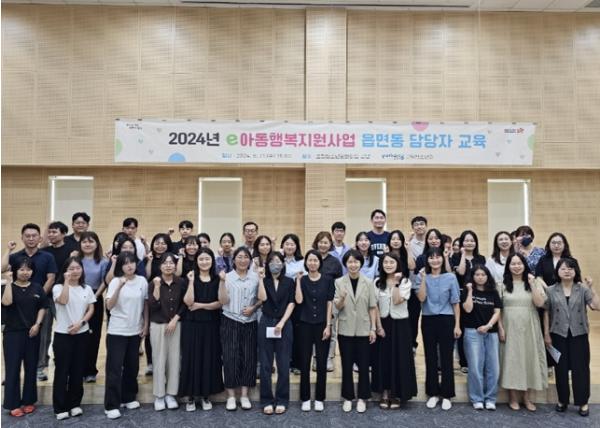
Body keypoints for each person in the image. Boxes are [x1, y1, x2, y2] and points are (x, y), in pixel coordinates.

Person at [543, 258, 599, 417]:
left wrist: (592, 287)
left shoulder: (582, 289)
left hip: (579, 333)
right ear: (557, 271)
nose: (567, 271)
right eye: (563, 268)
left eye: (570, 268)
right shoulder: (551, 290)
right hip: (558, 333)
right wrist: (546, 334)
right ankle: (562, 400)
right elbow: (546, 312)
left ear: (575, 271)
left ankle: (583, 401)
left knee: (580, 369)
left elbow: (596, 306)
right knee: (560, 369)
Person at [2, 224, 57, 382]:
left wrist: (38, 297)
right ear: (22, 238)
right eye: (27, 236)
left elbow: (51, 278)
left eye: (34, 236)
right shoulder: (15, 256)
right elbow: (2, 269)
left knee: (42, 335)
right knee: (16, 339)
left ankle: (39, 368)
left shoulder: (47, 256)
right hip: (17, 304)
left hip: (41, 302)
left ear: (40, 238)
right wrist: (8, 250)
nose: (31, 238)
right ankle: (12, 373)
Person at [497, 252, 548, 412]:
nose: (517, 266)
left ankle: (526, 398)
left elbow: (540, 303)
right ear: (508, 266)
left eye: (519, 263)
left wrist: (532, 284)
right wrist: (500, 328)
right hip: (509, 326)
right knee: (511, 360)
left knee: (528, 359)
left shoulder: (533, 282)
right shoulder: (501, 284)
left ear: (525, 265)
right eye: (513, 264)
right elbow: (497, 309)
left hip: (529, 326)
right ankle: (512, 397)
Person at [104, 252, 149, 420]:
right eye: (125, 263)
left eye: (132, 262)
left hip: (135, 330)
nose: (129, 266)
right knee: (114, 369)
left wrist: (145, 324)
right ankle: (111, 405)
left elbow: (145, 304)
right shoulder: (115, 281)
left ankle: (128, 397)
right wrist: (119, 287)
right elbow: (109, 306)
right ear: (120, 266)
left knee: (132, 366)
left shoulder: (142, 281)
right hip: (117, 331)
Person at [416, 247, 461, 411]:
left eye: (438, 257)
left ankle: (447, 395)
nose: (435, 260)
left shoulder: (451, 277)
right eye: (431, 257)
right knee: (430, 357)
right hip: (428, 319)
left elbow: (455, 302)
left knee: (446, 357)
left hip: (447, 319)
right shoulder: (423, 277)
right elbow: (421, 298)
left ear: (442, 259)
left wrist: (457, 325)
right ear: (427, 260)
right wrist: (423, 278)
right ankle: (433, 393)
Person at [1, 258, 48, 417]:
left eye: (28, 269)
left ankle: (29, 401)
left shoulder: (37, 287)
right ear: (15, 270)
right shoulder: (7, 287)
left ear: (32, 271)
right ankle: (12, 404)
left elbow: (43, 307)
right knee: (13, 369)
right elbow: (6, 302)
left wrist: (37, 324)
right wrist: (8, 281)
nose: (25, 272)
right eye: (21, 269)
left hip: (32, 333)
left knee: (31, 367)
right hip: (12, 334)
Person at [179, 248, 224, 412]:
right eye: (201, 259)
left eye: (207, 259)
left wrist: (200, 306)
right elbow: (188, 302)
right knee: (191, 359)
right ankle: (191, 397)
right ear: (196, 262)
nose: (204, 262)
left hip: (211, 325)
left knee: (209, 359)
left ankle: (206, 396)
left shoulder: (218, 279)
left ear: (212, 260)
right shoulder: (190, 278)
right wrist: (191, 282)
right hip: (192, 325)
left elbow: (220, 303)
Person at [334, 249, 378, 413]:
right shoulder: (339, 282)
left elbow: (372, 307)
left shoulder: (368, 282)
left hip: (364, 329)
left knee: (364, 365)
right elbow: (337, 307)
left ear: (361, 263)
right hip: (345, 329)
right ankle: (348, 397)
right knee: (346, 365)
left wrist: (373, 328)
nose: (353, 265)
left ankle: (362, 397)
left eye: (356, 261)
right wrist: (342, 298)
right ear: (346, 264)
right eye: (350, 262)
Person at [52, 257, 96, 420]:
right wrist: (66, 281)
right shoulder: (58, 287)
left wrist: (81, 323)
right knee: (62, 371)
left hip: (81, 333)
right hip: (63, 334)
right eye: (71, 268)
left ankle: (75, 404)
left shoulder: (87, 288)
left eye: (78, 268)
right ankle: (60, 407)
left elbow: (91, 308)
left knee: (78, 370)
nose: (75, 271)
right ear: (65, 270)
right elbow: (63, 301)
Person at [371, 253, 417, 409]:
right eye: (386, 262)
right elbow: (374, 305)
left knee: (399, 358)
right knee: (383, 358)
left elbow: (397, 301)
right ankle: (384, 393)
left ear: (397, 264)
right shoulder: (377, 282)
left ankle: (396, 394)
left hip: (400, 324)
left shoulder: (405, 281)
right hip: (383, 323)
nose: (388, 265)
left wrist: (396, 283)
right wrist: (378, 326)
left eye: (392, 262)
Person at [218, 247, 260, 411]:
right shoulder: (227, 277)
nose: (243, 260)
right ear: (233, 260)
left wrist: (253, 308)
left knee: (249, 357)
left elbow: (261, 298)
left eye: (246, 257)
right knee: (230, 357)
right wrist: (222, 282)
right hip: (230, 320)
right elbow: (222, 301)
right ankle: (230, 396)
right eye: (239, 257)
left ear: (250, 260)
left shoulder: (256, 277)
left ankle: (244, 395)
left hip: (250, 321)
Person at [257, 252, 295, 415]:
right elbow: (262, 298)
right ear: (267, 264)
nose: (275, 264)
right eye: (272, 261)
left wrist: (282, 322)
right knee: (265, 364)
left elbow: (291, 303)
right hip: (266, 321)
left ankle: (282, 399)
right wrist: (260, 279)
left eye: (278, 261)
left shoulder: (289, 281)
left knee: (283, 364)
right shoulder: (264, 281)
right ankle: (266, 400)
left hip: (284, 324)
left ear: (283, 264)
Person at [295, 250, 334, 412]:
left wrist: (328, 325)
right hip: (305, 324)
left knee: (322, 362)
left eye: (315, 260)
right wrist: (298, 281)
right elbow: (298, 300)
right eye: (310, 260)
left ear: (320, 262)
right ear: (306, 263)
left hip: (322, 324)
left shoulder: (328, 280)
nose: (312, 263)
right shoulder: (302, 280)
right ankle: (305, 398)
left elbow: (329, 303)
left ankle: (319, 398)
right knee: (304, 362)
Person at [461, 265, 502, 411]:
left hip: (491, 332)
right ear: (472, 276)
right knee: (475, 367)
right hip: (473, 332)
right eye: (477, 274)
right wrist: (470, 291)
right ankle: (477, 398)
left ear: (487, 276)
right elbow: (467, 309)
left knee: (494, 368)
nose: (480, 277)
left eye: (483, 275)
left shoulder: (493, 292)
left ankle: (490, 398)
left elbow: (497, 312)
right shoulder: (467, 291)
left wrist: (488, 326)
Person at [148, 253, 185, 411]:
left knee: (174, 360)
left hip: (176, 325)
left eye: (171, 263)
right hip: (158, 325)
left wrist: (175, 319)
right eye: (165, 263)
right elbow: (152, 305)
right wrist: (157, 287)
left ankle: (171, 394)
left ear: (176, 266)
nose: (168, 265)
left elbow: (184, 304)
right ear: (160, 266)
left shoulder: (181, 282)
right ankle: (159, 395)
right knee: (159, 360)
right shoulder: (153, 282)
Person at [451, 230, 486, 373]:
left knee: (476, 325)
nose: (469, 243)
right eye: (466, 240)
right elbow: (460, 272)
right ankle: (464, 362)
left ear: (476, 243)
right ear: (462, 243)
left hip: (477, 295)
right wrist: (463, 255)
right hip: (461, 295)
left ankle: (477, 360)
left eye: (472, 240)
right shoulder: (455, 257)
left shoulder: (481, 258)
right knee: (462, 328)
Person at [78, 231, 109, 383]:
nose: (88, 244)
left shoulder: (103, 261)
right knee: (78, 334)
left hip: (95, 297)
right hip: (77, 298)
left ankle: (90, 370)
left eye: (91, 241)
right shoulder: (75, 260)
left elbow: (104, 282)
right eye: (84, 242)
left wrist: (93, 298)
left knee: (93, 336)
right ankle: (77, 370)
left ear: (97, 244)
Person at [280, 233, 305, 375]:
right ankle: (283, 363)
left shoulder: (302, 262)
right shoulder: (278, 260)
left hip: (297, 299)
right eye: (287, 244)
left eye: (292, 244)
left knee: (296, 333)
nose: (289, 247)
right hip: (280, 299)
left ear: (297, 246)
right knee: (283, 333)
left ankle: (296, 363)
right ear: (282, 246)